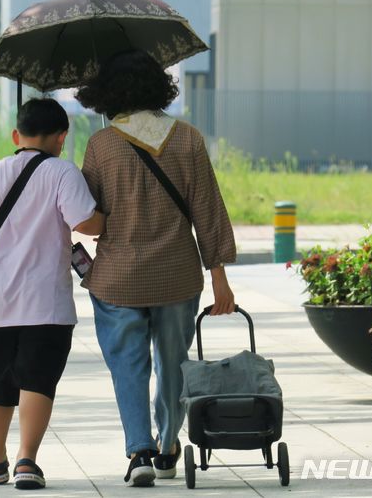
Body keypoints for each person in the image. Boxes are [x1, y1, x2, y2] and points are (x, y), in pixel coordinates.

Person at [75, 49, 237, 487]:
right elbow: (208, 210)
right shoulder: (187, 138)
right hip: (177, 274)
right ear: (158, 88)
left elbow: (89, 215)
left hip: (117, 277)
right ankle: (167, 443)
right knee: (173, 362)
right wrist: (218, 274)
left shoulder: (102, 146)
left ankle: (139, 450)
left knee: (128, 364)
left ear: (106, 94)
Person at [0, 98, 105, 490]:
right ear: (62, 138)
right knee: (37, 380)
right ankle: (27, 461)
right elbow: (86, 224)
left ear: (16, 135)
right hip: (47, 302)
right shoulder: (63, 172)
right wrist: (110, 214)